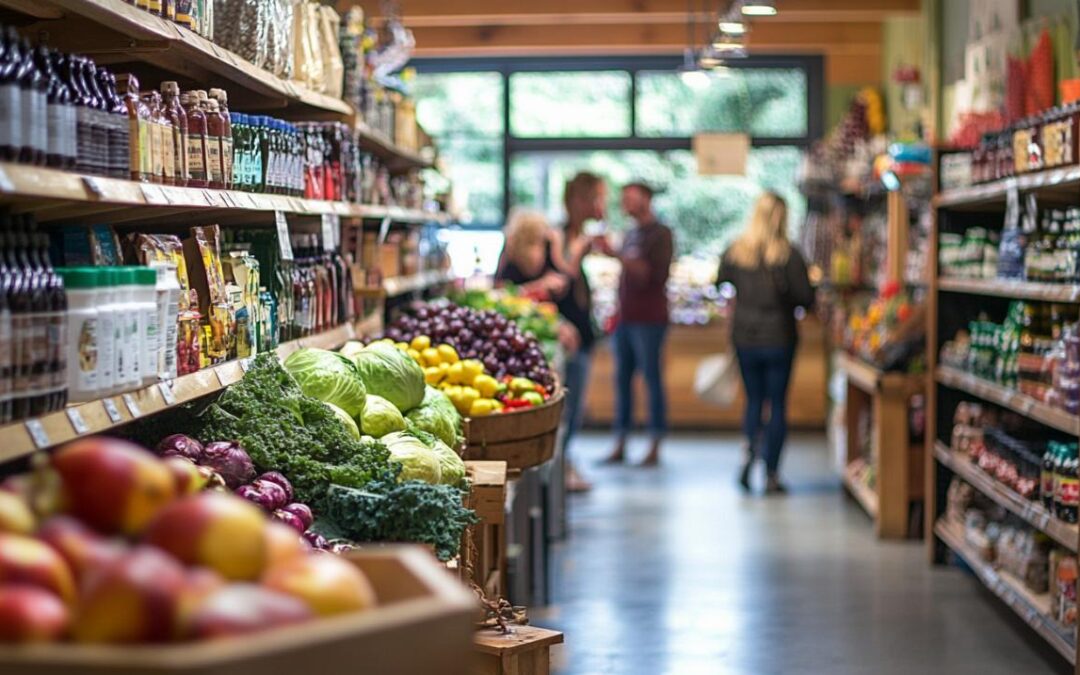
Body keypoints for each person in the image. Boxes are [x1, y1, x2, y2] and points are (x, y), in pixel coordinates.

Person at [495, 201, 597, 492]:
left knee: (571, 406)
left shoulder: (551, 247)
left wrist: (571, 256)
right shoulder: (511, 257)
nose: (546, 237)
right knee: (560, 406)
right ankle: (553, 469)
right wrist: (540, 288)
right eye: (539, 235)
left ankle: (562, 462)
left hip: (568, 336)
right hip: (533, 344)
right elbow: (502, 297)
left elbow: (566, 278)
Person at [718, 191, 814, 494]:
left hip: (745, 337)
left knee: (753, 401)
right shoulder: (790, 255)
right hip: (779, 338)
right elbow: (806, 299)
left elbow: (719, 283)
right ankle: (772, 472)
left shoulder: (736, 251)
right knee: (777, 404)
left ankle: (749, 452)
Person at [598, 182, 674, 467]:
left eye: (630, 197)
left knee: (652, 380)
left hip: (650, 320)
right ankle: (620, 441)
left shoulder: (661, 234)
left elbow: (649, 275)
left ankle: (655, 442)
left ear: (646, 199)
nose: (625, 203)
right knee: (622, 381)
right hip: (625, 319)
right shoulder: (631, 233)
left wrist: (617, 255)